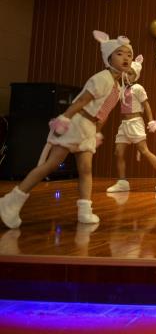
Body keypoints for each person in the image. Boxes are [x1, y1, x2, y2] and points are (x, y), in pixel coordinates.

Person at [0, 31, 132, 228]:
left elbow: (103, 113)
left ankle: (85, 211)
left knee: (86, 169)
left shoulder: (118, 85)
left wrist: (96, 131)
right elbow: (81, 101)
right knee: (51, 164)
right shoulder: (102, 78)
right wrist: (65, 119)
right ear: (108, 57)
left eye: (128, 54)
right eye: (119, 53)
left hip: (88, 128)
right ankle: (11, 201)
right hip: (77, 123)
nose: (125, 58)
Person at [106, 55, 156, 193]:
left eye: (131, 73)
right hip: (124, 124)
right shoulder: (121, 89)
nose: (127, 75)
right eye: (126, 72)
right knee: (118, 152)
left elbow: (146, 105)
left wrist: (151, 121)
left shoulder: (138, 88)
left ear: (136, 76)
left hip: (135, 123)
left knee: (144, 150)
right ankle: (122, 182)